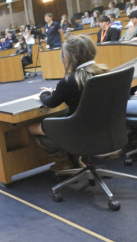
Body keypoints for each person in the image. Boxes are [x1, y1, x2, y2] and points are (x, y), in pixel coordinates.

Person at [27, 36, 108, 172]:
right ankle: (76, 159)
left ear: (69, 57)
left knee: (31, 128)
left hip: (77, 132)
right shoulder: (105, 73)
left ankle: (63, 162)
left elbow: (51, 103)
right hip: (104, 129)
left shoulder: (69, 81)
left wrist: (44, 94)